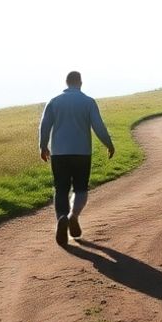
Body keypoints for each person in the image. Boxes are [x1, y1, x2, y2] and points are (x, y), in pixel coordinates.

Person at [39, 70, 115, 245]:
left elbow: (44, 126)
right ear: (80, 83)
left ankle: (62, 218)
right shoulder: (88, 102)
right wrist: (109, 144)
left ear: (66, 83)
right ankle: (74, 215)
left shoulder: (54, 101)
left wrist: (43, 146)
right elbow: (98, 126)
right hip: (82, 152)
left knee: (61, 189)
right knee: (81, 188)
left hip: (59, 153)